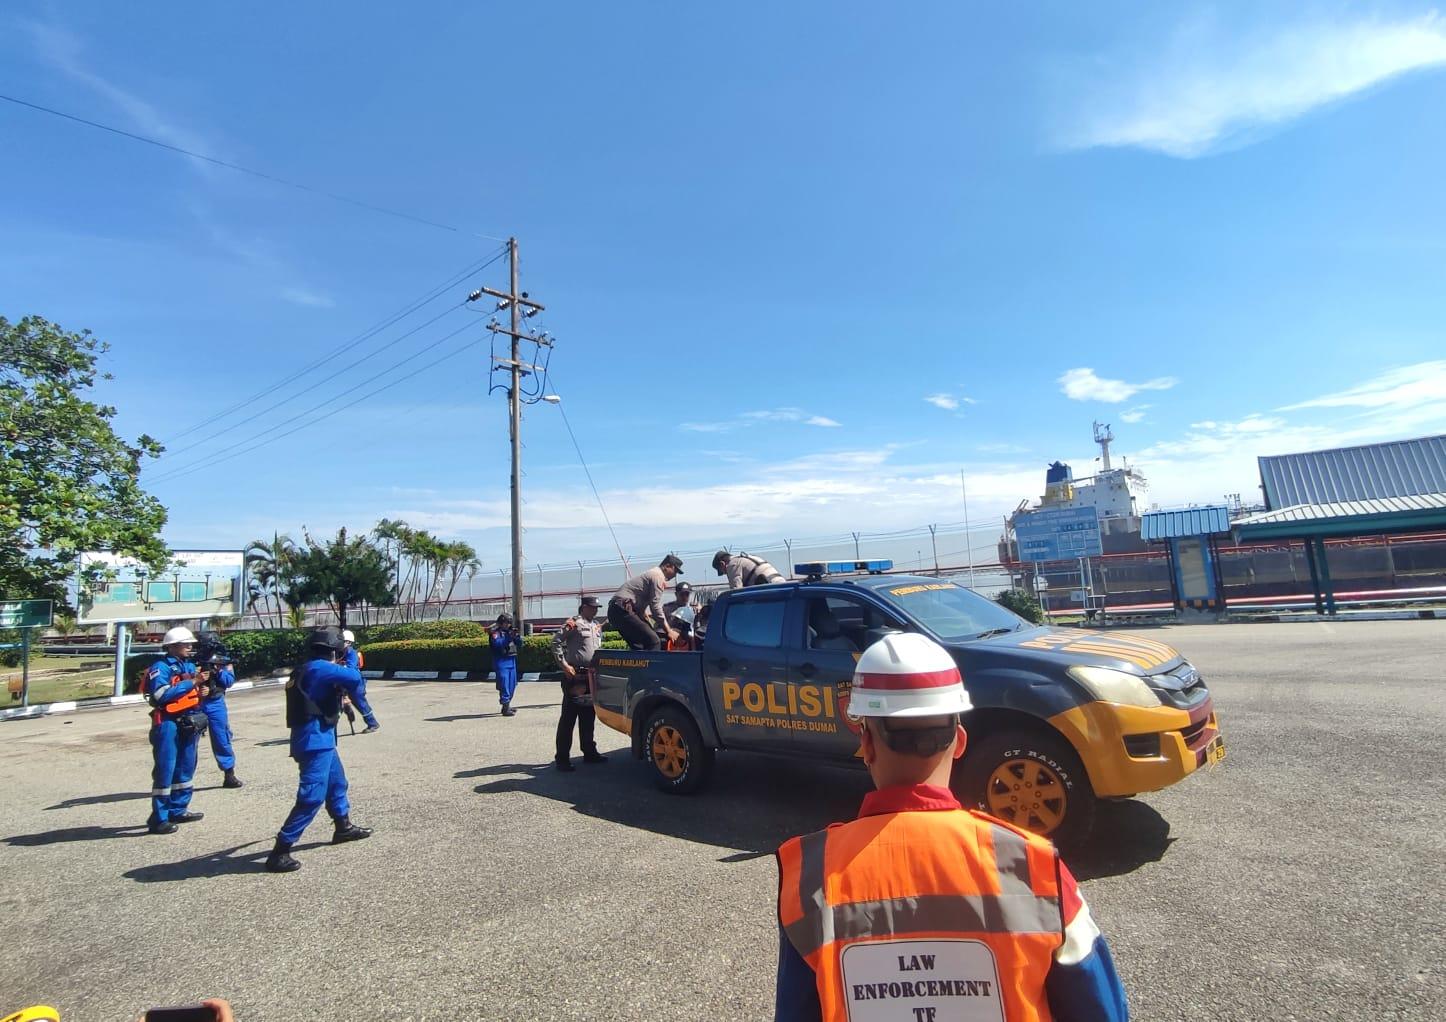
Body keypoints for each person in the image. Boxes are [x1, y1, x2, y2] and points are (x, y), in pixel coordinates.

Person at [773, 632, 1129, 1022]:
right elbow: (1100, 1010)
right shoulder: (1035, 865)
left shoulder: (810, 874)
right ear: (959, 741)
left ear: (868, 745)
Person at [266, 627, 373, 873]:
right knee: (312, 796)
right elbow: (356, 680)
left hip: (319, 737)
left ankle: (343, 826)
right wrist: (351, 661)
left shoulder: (309, 668)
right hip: (314, 740)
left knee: (337, 783)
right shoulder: (319, 668)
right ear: (333, 650)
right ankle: (281, 849)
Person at [140, 626, 208, 835]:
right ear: (172, 646)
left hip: (188, 721)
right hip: (167, 723)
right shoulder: (160, 668)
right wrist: (193, 683)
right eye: (185, 643)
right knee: (165, 770)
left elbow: (191, 692)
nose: (189, 647)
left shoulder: (188, 665)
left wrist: (201, 690)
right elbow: (161, 696)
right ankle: (159, 818)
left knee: (186, 766)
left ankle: (179, 809)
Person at [551, 595, 607, 771]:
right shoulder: (574, 623)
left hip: (591, 676)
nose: (595, 610)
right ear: (583, 607)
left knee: (588, 716)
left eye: (597, 607)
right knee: (569, 718)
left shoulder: (595, 625)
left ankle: (589, 752)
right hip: (575, 675)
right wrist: (564, 665)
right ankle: (562, 758)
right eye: (592, 607)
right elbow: (556, 642)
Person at [195, 635, 243, 789]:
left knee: (222, 738)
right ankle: (181, 780)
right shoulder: (193, 661)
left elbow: (229, 682)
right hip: (195, 703)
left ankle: (229, 774)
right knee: (188, 741)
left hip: (215, 703)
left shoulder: (222, 660)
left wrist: (217, 671)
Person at [607, 554, 683, 650]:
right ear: (667, 566)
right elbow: (655, 607)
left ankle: (637, 664)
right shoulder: (658, 576)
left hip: (616, 610)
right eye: (675, 570)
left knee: (640, 645)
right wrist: (668, 631)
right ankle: (653, 665)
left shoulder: (652, 574)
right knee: (653, 641)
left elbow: (640, 601)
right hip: (623, 609)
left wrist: (642, 615)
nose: (675, 575)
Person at [342, 628, 380, 733]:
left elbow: (351, 667)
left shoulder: (351, 653)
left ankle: (372, 723)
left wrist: (338, 667)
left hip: (355, 683)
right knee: (338, 703)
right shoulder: (339, 652)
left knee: (360, 703)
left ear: (348, 642)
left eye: (342, 641)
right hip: (344, 681)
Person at [490, 613, 521, 717]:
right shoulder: (495, 633)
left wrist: (516, 636)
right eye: (507, 622)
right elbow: (497, 644)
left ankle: (507, 704)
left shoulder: (510, 632)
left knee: (512, 684)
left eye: (509, 623)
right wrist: (508, 637)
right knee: (504, 684)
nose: (508, 625)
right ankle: (505, 706)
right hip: (501, 661)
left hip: (511, 660)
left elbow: (520, 644)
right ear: (501, 623)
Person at [713, 549, 785, 589]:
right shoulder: (746, 558)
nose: (726, 574)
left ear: (722, 564)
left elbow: (736, 592)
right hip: (782, 584)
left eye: (723, 572)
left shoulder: (732, 564)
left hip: (770, 587)